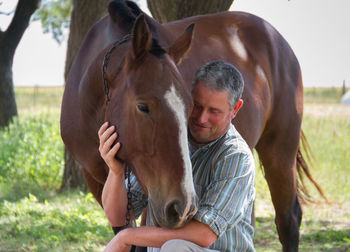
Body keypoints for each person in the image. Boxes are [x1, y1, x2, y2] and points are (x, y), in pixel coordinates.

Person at [98, 60, 256, 252]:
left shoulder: (236, 156)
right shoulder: (168, 143)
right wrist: (116, 171)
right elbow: (119, 217)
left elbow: (205, 234)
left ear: (235, 109)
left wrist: (126, 237)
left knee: (175, 248)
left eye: (214, 112)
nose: (201, 118)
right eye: (197, 106)